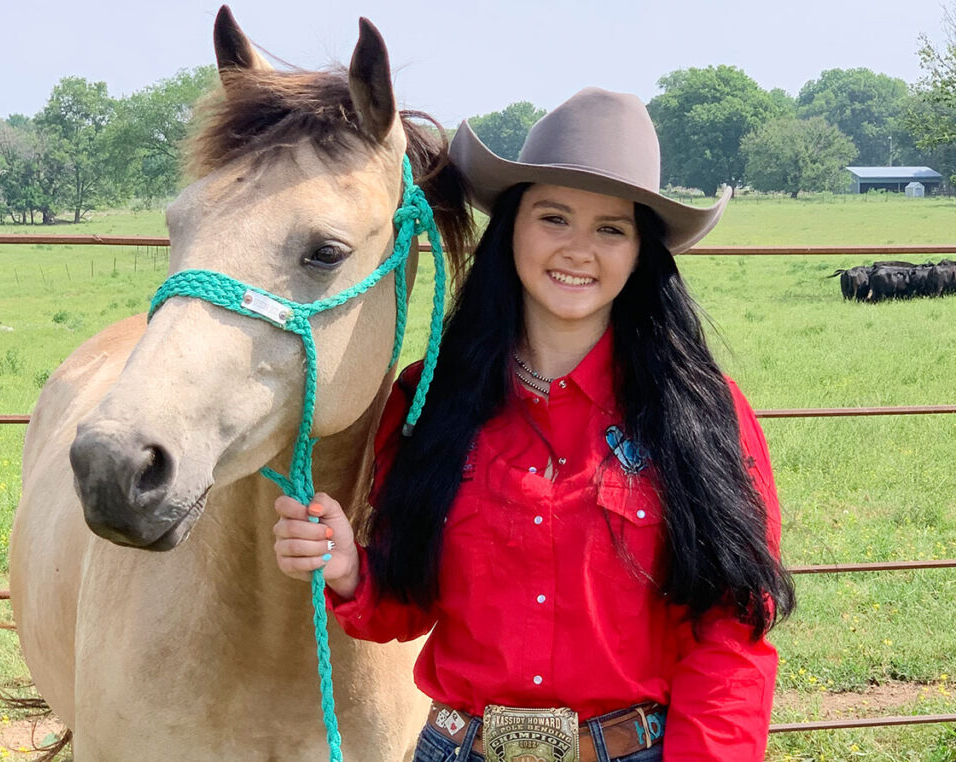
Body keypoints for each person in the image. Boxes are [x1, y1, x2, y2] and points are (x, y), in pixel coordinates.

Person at [273, 88, 795, 762]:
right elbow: (407, 604)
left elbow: (730, 636)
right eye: (555, 218)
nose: (579, 249)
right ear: (512, 227)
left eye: (611, 228)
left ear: (640, 253)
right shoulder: (429, 400)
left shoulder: (701, 415)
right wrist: (352, 572)